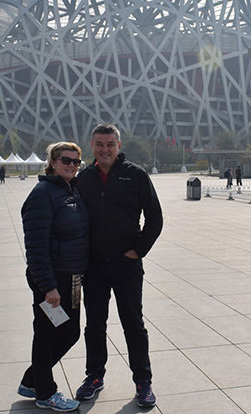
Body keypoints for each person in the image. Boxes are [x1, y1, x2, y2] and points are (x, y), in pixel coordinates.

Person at [75, 124, 163, 408]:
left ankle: (143, 382)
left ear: (118, 145)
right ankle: (94, 377)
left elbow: (155, 217)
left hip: (126, 265)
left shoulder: (134, 175)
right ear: (92, 146)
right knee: (95, 326)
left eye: (110, 144)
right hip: (95, 266)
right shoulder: (83, 177)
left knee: (133, 325)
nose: (105, 149)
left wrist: (137, 251)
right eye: (100, 144)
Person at [17, 141, 88, 413]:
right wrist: (48, 286)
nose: (71, 165)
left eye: (76, 161)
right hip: (53, 279)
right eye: (66, 160)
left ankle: (32, 380)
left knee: (69, 332)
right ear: (53, 162)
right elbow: (35, 245)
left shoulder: (70, 191)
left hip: (71, 277)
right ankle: (45, 392)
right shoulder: (42, 193)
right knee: (46, 334)